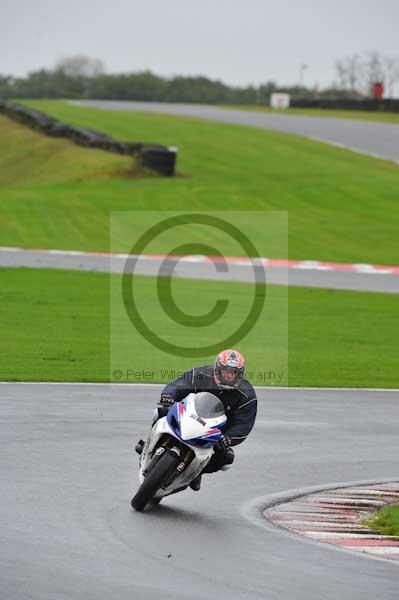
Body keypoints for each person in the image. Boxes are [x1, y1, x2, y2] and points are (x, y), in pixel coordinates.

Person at [156, 349, 257, 491]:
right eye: (226, 372)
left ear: (240, 374)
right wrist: (169, 395)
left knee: (226, 458)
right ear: (217, 369)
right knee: (160, 411)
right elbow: (179, 384)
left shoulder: (247, 395)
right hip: (187, 416)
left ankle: (197, 472)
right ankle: (150, 443)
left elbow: (243, 424)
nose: (229, 377)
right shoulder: (201, 374)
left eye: (233, 374)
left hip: (214, 433)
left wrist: (229, 438)